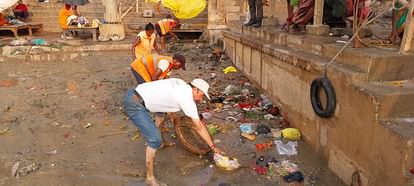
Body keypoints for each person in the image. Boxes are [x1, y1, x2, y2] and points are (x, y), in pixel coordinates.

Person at [124, 78, 223, 186]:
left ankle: (162, 143)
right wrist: (213, 147)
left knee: (161, 114)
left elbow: (167, 98)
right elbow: (198, 126)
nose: (200, 99)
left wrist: (173, 117)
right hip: (134, 103)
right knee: (154, 139)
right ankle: (150, 178)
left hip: (137, 92)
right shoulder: (186, 98)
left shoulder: (180, 83)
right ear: (196, 90)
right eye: (202, 95)